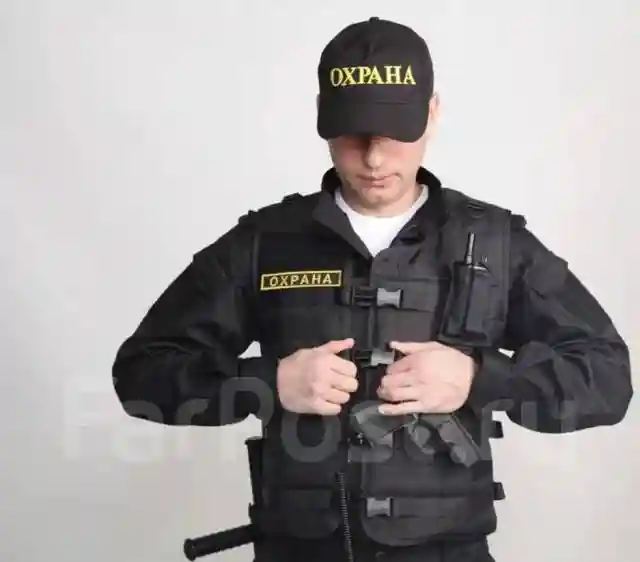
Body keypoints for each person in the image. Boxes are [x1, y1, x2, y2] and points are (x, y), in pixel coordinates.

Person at [111, 16, 633, 562]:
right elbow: (143, 370)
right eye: (354, 134)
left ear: (432, 113)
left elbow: (607, 376)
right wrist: (266, 382)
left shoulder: (496, 243)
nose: (375, 158)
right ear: (323, 117)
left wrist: (480, 378)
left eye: (394, 133)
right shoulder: (263, 243)